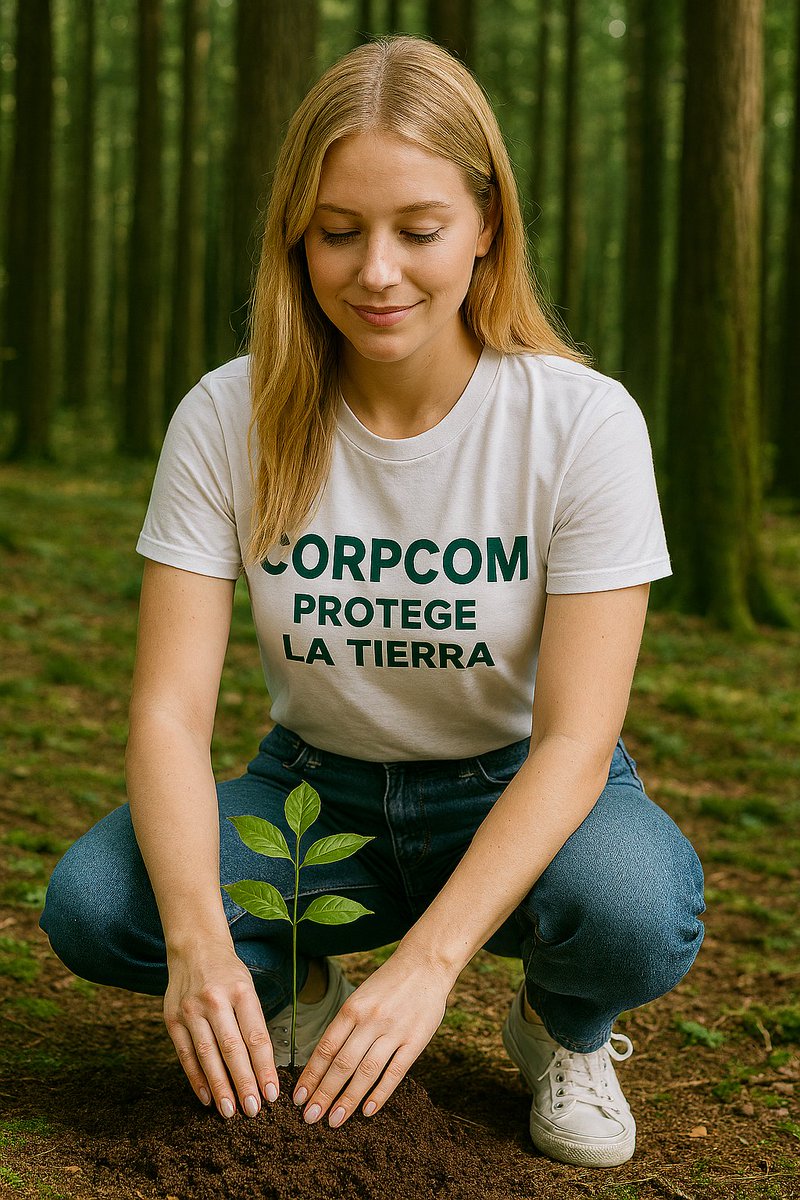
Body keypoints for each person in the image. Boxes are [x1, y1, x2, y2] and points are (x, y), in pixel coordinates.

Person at [41, 35, 705, 1170]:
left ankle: (561, 1027)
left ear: (485, 223)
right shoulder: (226, 417)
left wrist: (431, 969)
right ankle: (292, 974)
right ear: (295, 235)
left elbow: (578, 738)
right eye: (337, 232)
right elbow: (165, 714)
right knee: (103, 904)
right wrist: (201, 943)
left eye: (418, 229)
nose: (376, 271)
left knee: (633, 909)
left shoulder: (581, 423)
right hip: (309, 796)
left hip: (512, 781)